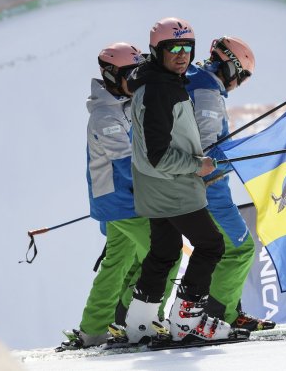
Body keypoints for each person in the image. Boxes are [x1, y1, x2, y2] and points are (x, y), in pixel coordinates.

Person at [120, 17, 247, 344]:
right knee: (212, 245)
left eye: (186, 48)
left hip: (158, 185)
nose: (182, 55)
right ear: (156, 50)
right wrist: (198, 165)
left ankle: (140, 322)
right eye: (173, 48)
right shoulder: (163, 89)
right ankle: (188, 321)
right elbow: (158, 154)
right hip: (173, 185)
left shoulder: (161, 81)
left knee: (165, 249)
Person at [59, 43, 180, 350]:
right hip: (123, 202)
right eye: (132, 74)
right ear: (113, 75)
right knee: (167, 253)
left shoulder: (124, 106)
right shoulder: (105, 117)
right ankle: (143, 322)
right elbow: (126, 167)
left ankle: (95, 329)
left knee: (118, 263)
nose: (138, 80)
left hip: (119, 200)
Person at [186, 36, 274, 331]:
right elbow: (207, 151)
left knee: (219, 250)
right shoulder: (207, 93)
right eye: (243, 76)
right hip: (210, 190)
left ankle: (223, 311)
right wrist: (244, 150)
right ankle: (219, 317)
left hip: (201, 189)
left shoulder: (196, 83)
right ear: (232, 67)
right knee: (241, 249)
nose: (241, 83)